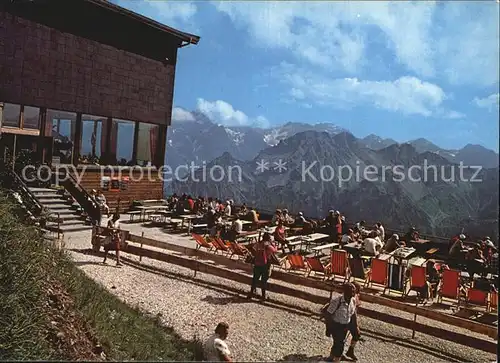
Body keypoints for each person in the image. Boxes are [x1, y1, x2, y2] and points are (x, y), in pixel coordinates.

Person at [322, 283, 358, 362]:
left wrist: (355, 325)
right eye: (351, 291)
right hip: (336, 325)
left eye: (354, 291)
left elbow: (353, 313)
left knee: (338, 343)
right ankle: (336, 360)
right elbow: (328, 314)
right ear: (345, 291)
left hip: (345, 325)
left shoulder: (353, 301)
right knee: (340, 344)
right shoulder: (337, 301)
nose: (353, 293)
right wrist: (328, 328)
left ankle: (331, 357)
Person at [248, 232, 277, 300]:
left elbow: (253, 249)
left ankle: (251, 294)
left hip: (257, 264)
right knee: (263, 281)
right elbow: (274, 251)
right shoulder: (268, 245)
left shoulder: (258, 244)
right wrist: (274, 245)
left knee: (255, 279)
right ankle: (263, 296)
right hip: (265, 265)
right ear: (269, 238)